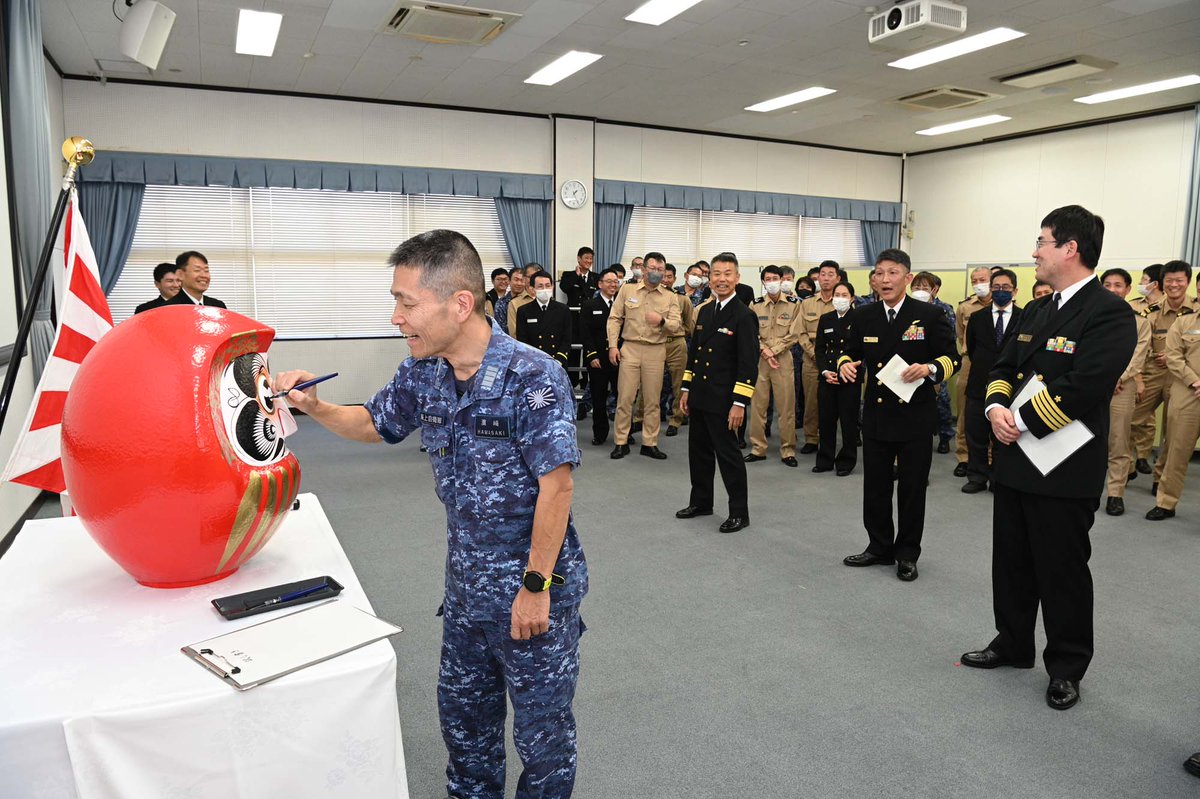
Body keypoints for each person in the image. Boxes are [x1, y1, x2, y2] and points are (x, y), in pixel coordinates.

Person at [274, 229, 587, 799]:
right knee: (466, 730)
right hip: (466, 592)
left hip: (531, 590)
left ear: (459, 304)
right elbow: (375, 423)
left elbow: (557, 489)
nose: (396, 317)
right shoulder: (424, 370)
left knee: (543, 740)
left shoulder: (532, 376)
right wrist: (314, 406)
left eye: (406, 302)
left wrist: (537, 585)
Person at [960, 205, 1135, 712]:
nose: (1034, 252)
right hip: (1016, 458)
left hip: (1064, 465)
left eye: (1042, 242)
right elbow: (1003, 366)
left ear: (1070, 248)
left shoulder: (1109, 312)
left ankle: (1066, 667)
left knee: (1062, 570)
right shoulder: (1035, 310)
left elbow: (1087, 384)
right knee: (1011, 563)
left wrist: (1023, 420)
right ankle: (1012, 643)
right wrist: (995, 407)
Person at [838, 248, 958, 583]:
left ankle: (907, 553)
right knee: (875, 487)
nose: (885, 280)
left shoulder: (929, 316)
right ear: (873, 279)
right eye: (879, 273)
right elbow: (848, 352)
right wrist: (844, 364)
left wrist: (930, 367)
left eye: (892, 273)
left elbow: (952, 358)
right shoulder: (863, 316)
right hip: (876, 416)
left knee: (911, 488)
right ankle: (878, 547)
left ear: (907, 277)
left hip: (915, 417)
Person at [676, 252, 758, 533]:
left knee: (729, 456)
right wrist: (686, 387)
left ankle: (739, 512)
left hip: (725, 400)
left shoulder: (744, 315)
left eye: (727, 274)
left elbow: (748, 364)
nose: (721, 279)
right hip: (700, 395)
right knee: (698, 453)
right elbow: (694, 353)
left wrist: (739, 403)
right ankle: (701, 502)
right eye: (716, 274)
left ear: (737, 278)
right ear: (709, 278)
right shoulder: (705, 312)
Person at [606, 251, 683, 460]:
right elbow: (614, 318)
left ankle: (649, 442)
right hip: (629, 348)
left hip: (655, 350)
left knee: (652, 400)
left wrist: (661, 321)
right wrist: (613, 346)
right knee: (625, 398)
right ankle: (621, 441)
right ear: (643, 269)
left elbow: (676, 326)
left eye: (660, 269)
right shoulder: (627, 289)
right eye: (652, 268)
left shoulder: (670, 296)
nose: (656, 273)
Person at [1134, 261, 1197, 493]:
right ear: (1163, 283)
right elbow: (1139, 345)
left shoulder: (1196, 310)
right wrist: (1139, 377)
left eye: (1179, 280)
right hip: (1152, 373)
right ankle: (1128, 464)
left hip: (1182, 379)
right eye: (1169, 280)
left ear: (1188, 282)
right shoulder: (1151, 312)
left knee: (1173, 434)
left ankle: (1159, 479)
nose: (1174, 285)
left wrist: (1172, 356)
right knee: (1129, 418)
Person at [1146, 265, 1200, 522]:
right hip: (1187, 392)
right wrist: (1194, 381)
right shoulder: (1184, 322)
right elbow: (1174, 357)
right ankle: (1166, 502)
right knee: (1176, 450)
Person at [961, 269, 1021, 494]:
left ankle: (999, 477)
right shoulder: (977, 318)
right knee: (975, 433)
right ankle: (976, 476)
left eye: (1006, 288)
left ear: (1015, 291)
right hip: (979, 384)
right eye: (996, 287)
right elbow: (974, 350)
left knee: (1003, 436)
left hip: (1010, 388)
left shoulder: (1024, 317)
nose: (1000, 292)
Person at [1099, 268, 1151, 516]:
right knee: (1086, 438)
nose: (1112, 290)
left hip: (1122, 387)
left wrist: (1116, 377)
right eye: (1107, 285)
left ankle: (1115, 493)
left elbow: (1138, 356)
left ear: (1128, 289)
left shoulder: (1140, 322)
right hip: (1092, 385)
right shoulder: (1091, 317)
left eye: (1118, 285)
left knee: (1118, 441)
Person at [745, 266, 802, 466]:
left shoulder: (794, 304)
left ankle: (787, 450)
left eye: (775, 278)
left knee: (786, 407)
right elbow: (751, 333)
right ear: (762, 282)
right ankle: (758, 448)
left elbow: (795, 334)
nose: (771, 281)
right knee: (758, 407)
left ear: (781, 279)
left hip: (783, 360)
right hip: (760, 360)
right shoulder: (755, 304)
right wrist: (764, 351)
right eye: (767, 278)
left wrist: (773, 350)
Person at [814, 280, 859, 475]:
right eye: (837, 295)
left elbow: (860, 350)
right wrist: (824, 371)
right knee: (825, 421)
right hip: (828, 376)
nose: (840, 299)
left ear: (852, 298)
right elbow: (820, 349)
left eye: (844, 295)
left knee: (849, 422)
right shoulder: (826, 319)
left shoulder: (859, 318)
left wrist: (845, 368)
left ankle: (846, 462)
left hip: (850, 376)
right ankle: (824, 460)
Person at [952, 267, 993, 477]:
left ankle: (990, 457)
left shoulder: (1005, 305)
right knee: (965, 410)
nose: (979, 283)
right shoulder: (965, 307)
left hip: (997, 362)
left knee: (994, 408)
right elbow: (961, 335)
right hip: (969, 361)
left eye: (983, 279)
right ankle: (964, 456)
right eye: (974, 280)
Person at [912, 271, 957, 454]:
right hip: (912, 364)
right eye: (916, 287)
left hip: (935, 364)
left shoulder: (944, 309)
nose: (920, 291)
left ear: (934, 290)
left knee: (941, 402)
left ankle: (945, 436)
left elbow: (950, 338)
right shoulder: (909, 308)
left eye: (924, 287)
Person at [798, 261, 840, 454]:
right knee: (811, 402)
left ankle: (830, 439)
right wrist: (814, 353)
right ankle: (811, 438)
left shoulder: (843, 302)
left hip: (838, 361)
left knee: (836, 402)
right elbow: (799, 331)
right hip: (812, 359)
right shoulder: (806, 304)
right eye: (822, 274)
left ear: (838, 278)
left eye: (831, 274)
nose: (826, 278)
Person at [580, 268, 621, 445]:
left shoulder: (622, 305)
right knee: (598, 397)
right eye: (609, 281)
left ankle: (623, 433)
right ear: (600, 284)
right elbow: (585, 333)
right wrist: (591, 355)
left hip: (619, 358)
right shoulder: (590, 304)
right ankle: (600, 433)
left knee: (623, 398)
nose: (613, 285)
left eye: (615, 282)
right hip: (598, 359)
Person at [516, 272, 572, 370]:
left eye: (548, 286)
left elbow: (567, 339)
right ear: (532, 289)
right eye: (540, 286)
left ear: (553, 287)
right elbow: (522, 341)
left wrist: (558, 360)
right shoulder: (524, 311)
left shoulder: (563, 309)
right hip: (533, 364)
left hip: (558, 363)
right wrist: (534, 361)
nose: (545, 289)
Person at [507, 263, 543, 335]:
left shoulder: (548, 300)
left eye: (537, 276)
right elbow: (514, 333)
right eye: (530, 277)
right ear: (524, 278)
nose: (534, 279)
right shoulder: (514, 303)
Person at [494, 265, 527, 335]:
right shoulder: (501, 303)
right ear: (509, 281)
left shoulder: (531, 300)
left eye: (522, 280)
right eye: (516, 280)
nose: (519, 283)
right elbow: (500, 331)